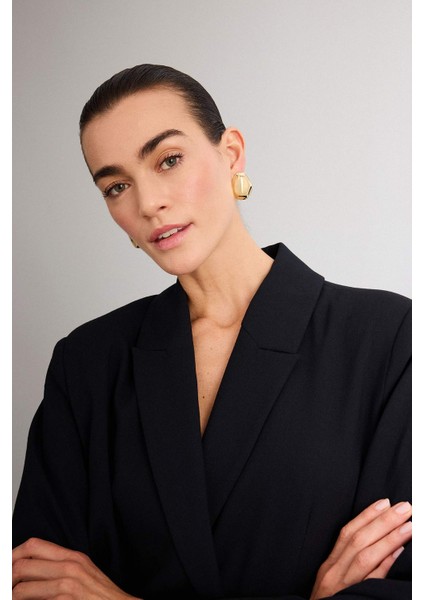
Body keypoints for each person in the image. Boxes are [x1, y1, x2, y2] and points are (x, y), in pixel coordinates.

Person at [12, 64, 411, 600]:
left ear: (231, 154)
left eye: (168, 160)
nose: (147, 203)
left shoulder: (389, 339)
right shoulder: (86, 364)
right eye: (116, 186)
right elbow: (37, 582)